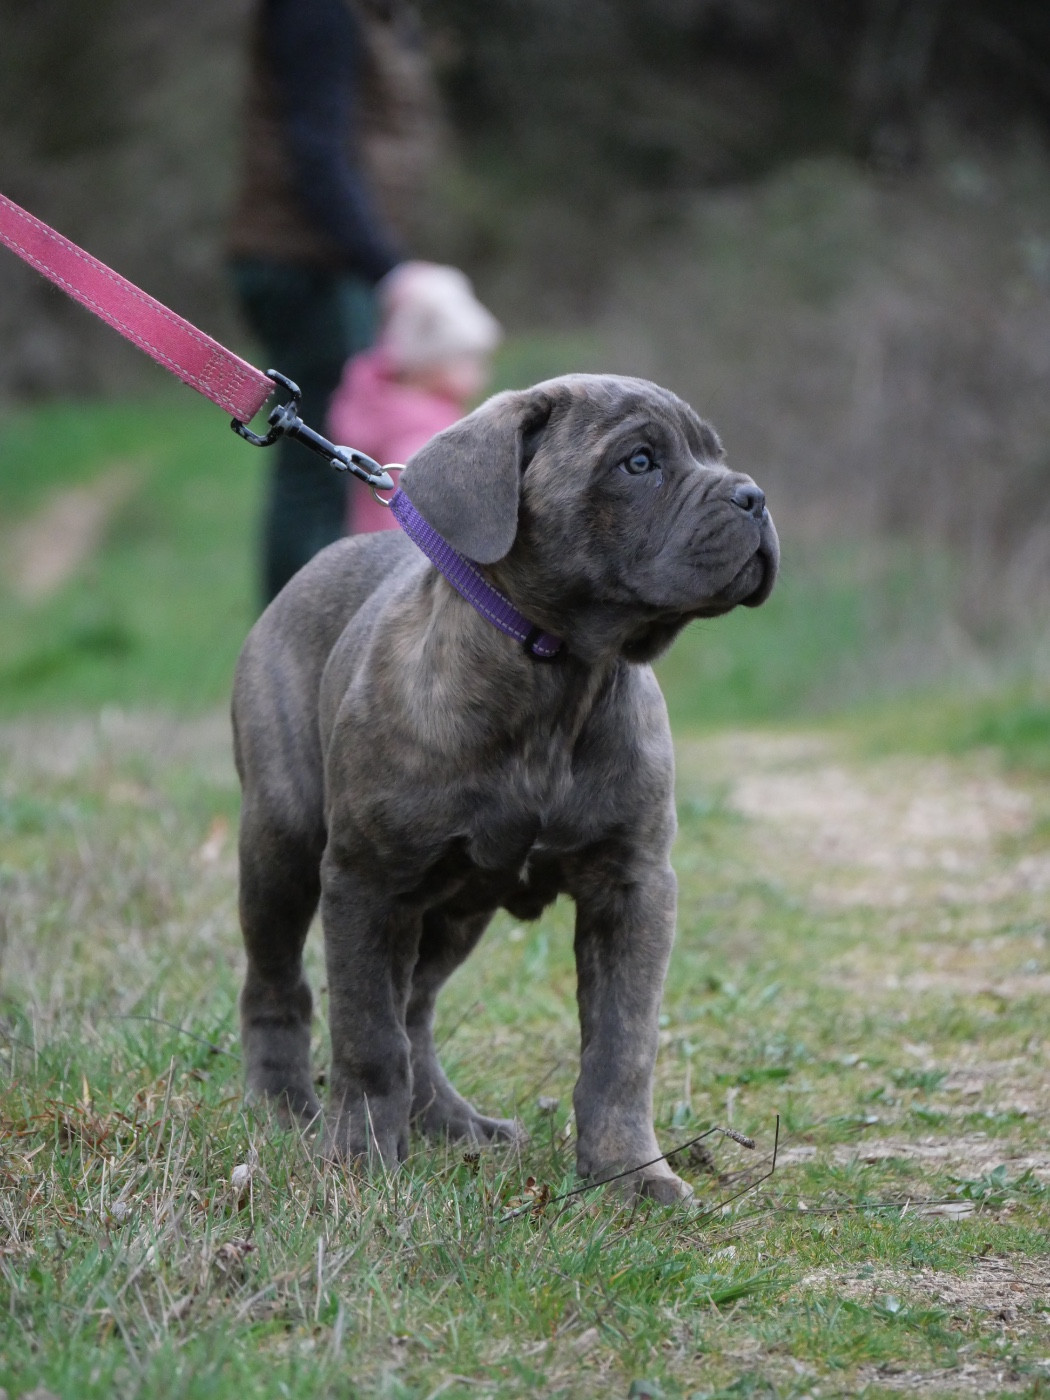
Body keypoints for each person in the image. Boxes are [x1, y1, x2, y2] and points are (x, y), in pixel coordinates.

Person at [227, 0, 441, 604]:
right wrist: (389, 269)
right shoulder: (317, 9)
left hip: (323, 262)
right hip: (309, 267)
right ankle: (294, 658)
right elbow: (316, 153)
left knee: (323, 465)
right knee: (317, 463)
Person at [327, 262, 502, 533]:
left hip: (370, 549)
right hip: (412, 559)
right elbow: (412, 523)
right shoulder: (419, 440)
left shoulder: (380, 404)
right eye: (468, 358)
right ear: (430, 362)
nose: (481, 373)